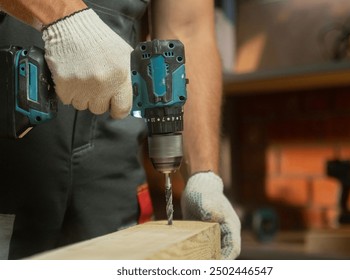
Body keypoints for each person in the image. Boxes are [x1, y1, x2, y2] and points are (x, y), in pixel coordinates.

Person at [0, 0, 241, 260]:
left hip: (114, 138)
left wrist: (203, 177)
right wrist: (63, 18)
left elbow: (188, 28)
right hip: (10, 140)